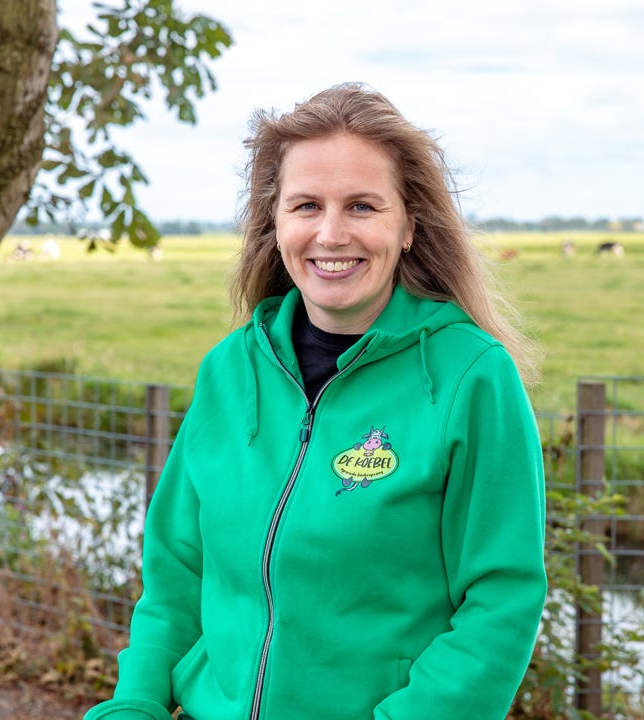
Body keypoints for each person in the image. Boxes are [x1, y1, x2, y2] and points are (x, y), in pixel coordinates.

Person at [84, 83, 547, 720]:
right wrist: (134, 702)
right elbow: (176, 573)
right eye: (306, 205)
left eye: (361, 206)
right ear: (275, 225)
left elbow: (501, 598)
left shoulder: (472, 377)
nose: (330, 233)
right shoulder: (228, 371)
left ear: (409, 225)